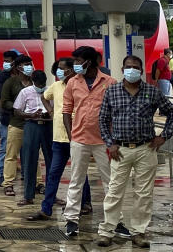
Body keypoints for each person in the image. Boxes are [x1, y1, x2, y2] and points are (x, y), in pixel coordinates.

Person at [95, 55, 173, 249]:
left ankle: (139, 232)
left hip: (146, 149)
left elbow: (171, 112)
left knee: (144, 194)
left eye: (136, 67)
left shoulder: (152, 92)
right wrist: (109, 143)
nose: (132, 70)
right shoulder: (112, 91)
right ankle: (107, 232)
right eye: (128, 67)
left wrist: (164, 136)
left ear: (141, 69)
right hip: (119, 150)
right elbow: (103, 119)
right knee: (114, 192)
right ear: (122, 69)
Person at [27, 57, 93, 222]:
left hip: (77, 137)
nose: (59, 71)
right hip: (58, 138)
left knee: (79, 174)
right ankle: (46, 208)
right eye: (58, 68)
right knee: (53, 174)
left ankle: (85, 203)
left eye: (62, 68)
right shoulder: (56, 86)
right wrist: (50, 111)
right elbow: (44, 97)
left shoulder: (81, 85)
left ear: (70, 70)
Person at [61, 46, 116, 238]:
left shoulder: (109, 82)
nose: (75, 65)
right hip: (79, 139)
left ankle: (114, 221)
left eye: (78, 61)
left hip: (104, 141)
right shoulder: (72, 83)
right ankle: (71, 220)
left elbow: (115, 111)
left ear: (89, 62)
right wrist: (71, 135)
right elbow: (66, 110)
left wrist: (113, 138)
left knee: (110, 182)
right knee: (76, 180)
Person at [13, 70, 53, 206]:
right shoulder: (25, 92)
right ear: (33, 81)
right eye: (38, 84)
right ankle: (28, 196)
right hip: (32, 125)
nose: (41, 86)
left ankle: (51, 195)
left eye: (43, 84)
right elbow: (17, 110)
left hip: (48, 125)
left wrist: (49, 114)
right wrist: (30, 115)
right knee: (30, 160)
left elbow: (56, 108)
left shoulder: (50, 90)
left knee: (52, 161)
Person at [0, 54, 35, 197]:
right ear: (19, 67)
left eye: (30, 64)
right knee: (11, 155)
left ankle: (37, 182)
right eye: (26, 64)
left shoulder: (35, 82)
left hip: (33, 124)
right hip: (16, 123)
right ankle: (8, 183)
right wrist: (17, 108)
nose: (29, 67)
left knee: (34, 155)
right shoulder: (11, 82)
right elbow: (4, 101)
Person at [0, 49, 19, 185]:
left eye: (8, 61)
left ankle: (27, 175)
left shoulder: (24, 78)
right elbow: (0, 97)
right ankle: (2, 175)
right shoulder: (3, 76)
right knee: (5, 146)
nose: (5, 64)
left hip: (22, 119)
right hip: (7, 117)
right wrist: (4, 110)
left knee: (24, 148)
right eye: (4, 61)